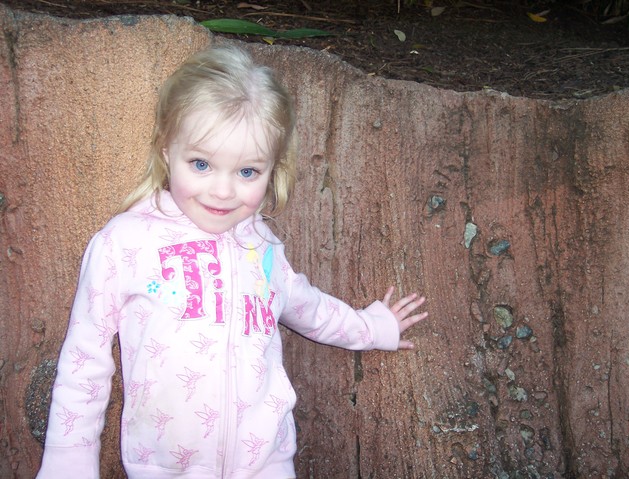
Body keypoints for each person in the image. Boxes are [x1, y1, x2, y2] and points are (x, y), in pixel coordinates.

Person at [36, 44, 428, 478]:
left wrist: (372, 327)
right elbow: (84, 357)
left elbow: (308, 307)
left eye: (247, 172)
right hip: (165, 466)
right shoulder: (124, 243)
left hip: (267, 463)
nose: (222, 192)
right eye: (201, 164)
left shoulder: (264, 249)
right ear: (167, 149)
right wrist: (68, 461)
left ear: (273, 168)